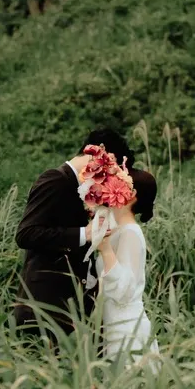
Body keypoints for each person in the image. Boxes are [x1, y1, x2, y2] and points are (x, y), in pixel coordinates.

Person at [14, 127, 133, 343]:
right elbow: (26, 234)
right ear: (97, 151)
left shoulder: (84, 189)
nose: (109, 175)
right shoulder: (55, 179)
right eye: (109, 164)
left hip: (69, 306)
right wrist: (84, 234)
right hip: (43, 304)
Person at [95, 167, 160, 374]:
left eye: (118, 184)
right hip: (113, 325)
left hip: (127, 329)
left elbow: (124, 290)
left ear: (131, 195)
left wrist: (105, 250)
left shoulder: (131, 233)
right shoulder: (118, 230)